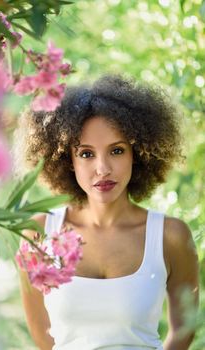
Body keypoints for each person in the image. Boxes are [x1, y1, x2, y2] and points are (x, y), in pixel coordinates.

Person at [14, 74, 199, 350]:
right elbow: (43, 335)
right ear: (67, 160)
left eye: (116, 150)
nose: (102, 169)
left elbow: (185, 328)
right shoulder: (38, 234)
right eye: (87, 154)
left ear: (138, 153)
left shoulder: (170, 236)